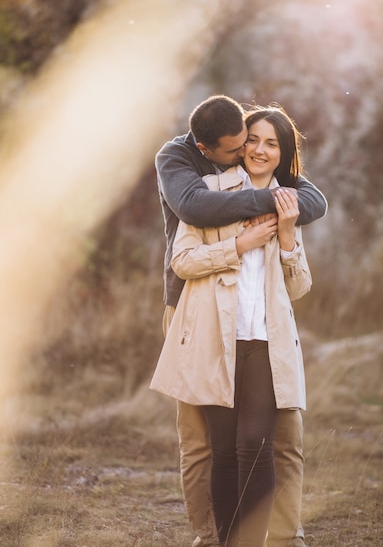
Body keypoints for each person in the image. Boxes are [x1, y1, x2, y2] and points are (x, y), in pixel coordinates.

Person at [152, 95, 327, 547]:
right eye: (252, 140)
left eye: (272, 143)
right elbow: (183, 261)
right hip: (213, 335)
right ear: (236, 144)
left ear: (284, 153)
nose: (259, 149)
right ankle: (217, 539)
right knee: (217, 451)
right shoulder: (209, 189)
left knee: (261, 445)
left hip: (265, 343)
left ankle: (271, 538)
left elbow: (300, 286)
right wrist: (240, 245)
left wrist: (287, 234)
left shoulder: (292, 203)